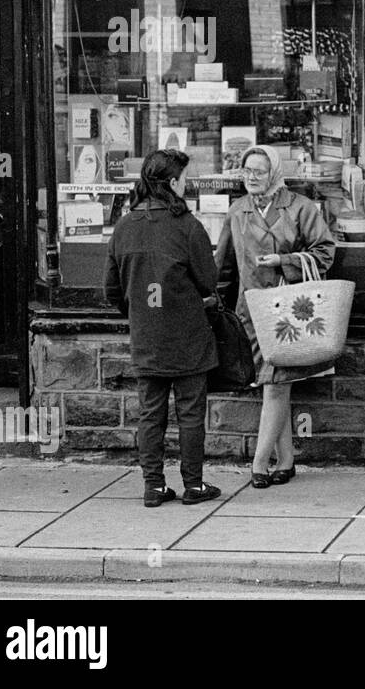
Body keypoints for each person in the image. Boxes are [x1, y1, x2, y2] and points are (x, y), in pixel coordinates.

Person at [104, 148, 221, 507]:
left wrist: (138, 307)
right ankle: (194, 485)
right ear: (172, 182)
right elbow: (208, 281)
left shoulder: (123, 227)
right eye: (184, 179)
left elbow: (111, 290)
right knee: (190, 414)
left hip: (147, 335)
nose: (186, 184)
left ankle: (153, 486)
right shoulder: (187, 226)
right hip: (187, 335)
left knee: (150, 415)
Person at [216, 144, 336, 490]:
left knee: (276, 385)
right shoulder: (237, 210)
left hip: (288, 312)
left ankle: (258, 464)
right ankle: (286, 460)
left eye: (259, 171)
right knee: (273, 385)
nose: (251, 178)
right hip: (250, 312)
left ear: (275, 173)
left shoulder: (299, 207)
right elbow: (223, 266)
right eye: (246, 171)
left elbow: (325, 251)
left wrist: (284, 261)